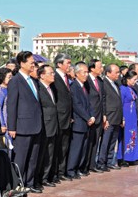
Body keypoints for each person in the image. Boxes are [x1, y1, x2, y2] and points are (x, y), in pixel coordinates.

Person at [7, 51, 43, 193]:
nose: (33, 64)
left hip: (36, 125)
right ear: (22, 63)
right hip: (22, 127)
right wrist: (12, 127)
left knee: (33, 158)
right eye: (31, 62)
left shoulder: (33, 81)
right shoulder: (15, 81)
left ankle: (30, 183)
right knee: (20, 160)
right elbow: (12, 105)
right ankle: (18, 185)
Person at [66, 63, 94, 179]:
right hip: (79, 121)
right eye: (84, 72)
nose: (86, 75)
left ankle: (79, 168)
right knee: (76, 148)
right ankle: (71, 170)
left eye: (87, 72)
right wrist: (87, 117)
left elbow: (89, 104)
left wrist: (92, 116)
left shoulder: (84, 86)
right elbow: (77, 105)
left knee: (83, 148)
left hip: (87, 122)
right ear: (77, 73)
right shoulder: (74, 87)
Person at [35, 65, 58, 187]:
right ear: (42, 75)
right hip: (44, 125)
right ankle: (38, 179)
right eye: (50, 73)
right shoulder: (38, 88)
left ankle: (45, 177)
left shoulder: (52, 88)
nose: (53, 75)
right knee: (42, 154)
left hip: (53, 125)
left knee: (50, 153)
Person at [98, 64, 123, 171]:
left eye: (119, 72)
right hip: (109, 117)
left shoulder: (116, 84)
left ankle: (109, 161)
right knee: (105, 141)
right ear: (108, 73)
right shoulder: (104, 84)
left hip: (117, 117)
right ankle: (101, 163)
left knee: (113, 141)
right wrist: (105, 117)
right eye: (116, 72)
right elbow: (103, 101)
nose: (118, 74)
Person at [52, 53, 72, 182]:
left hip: (67, 118)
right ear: (59, 64)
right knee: (56, 148)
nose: (70, 65)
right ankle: (53, 174)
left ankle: (61, 171)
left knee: (64, 147)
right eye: (67, 63)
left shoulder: (67, 78)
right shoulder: (54, 77)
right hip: (58, 118)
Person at [83, 59, 104, 174]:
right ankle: (84, 165)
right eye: (99, 66)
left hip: (99, 116)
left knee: (95, 141)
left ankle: (92, 164)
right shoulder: (86, 81)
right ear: (92, 68)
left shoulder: (100, 81)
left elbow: (103, 99)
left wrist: (104, 114)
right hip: (90, 116)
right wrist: (89, 115)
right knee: (88, 142)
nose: (101, 69)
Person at [116, 71, 138, 165]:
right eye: (134, 79)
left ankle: (132, 157)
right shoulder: (123, 89)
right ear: (128, 79)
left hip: (132, 116)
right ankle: (122, 158)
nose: (135, 81)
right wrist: (121, 117)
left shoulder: (132, 89)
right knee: (124, 136)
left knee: (132, 136)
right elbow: (120, 104)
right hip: (126, 115)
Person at [0, 67, 13, 149]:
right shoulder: (1, 91)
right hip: (6, 122)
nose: (11, 79)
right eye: (9, 77)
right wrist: (2, 124)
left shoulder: (10, 89)